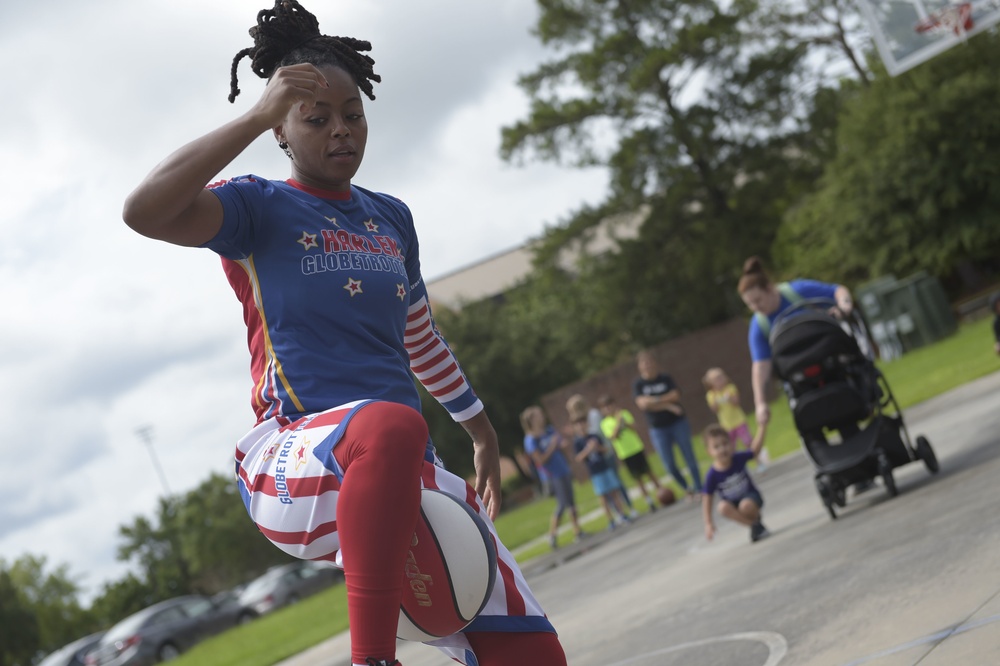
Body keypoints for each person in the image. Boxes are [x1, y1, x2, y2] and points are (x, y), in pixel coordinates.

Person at [121, 3, 566, 665]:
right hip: (294, 456)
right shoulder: (255, 207)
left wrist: (479, 427)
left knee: (534, 657)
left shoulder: (392, 219)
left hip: (403, 463)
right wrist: (251, 115)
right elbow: (144, 211)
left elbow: (421, 338)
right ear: (282, 130)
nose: (340, 131)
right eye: (315, 117)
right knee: (389, 425)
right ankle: (372, 657)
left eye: (352, 114)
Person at [737, 256, 855, 440]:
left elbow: (837, 291)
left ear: (769, 288)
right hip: (801, 380)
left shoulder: (797, 291)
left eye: (758, 300)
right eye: (750, 305)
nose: (756, 307)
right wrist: (760, 403)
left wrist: (844, 307)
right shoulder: (759, 325)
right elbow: (760, 366)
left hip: (830, 361)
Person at [633, 350, 702, 500]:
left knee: (689, 457)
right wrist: (668, 406)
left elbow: (675, 395)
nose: (647, 365)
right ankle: (686, 487)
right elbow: (643, 405)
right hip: (658, 429)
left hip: (678, 423)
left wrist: (654, 400)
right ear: (639, 366)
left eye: (649, 361)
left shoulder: (665, 378)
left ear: (655, 363)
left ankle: (699, 487)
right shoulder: (639, 384)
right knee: (669, 464)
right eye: (644, 362)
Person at [520, 406, 586, 550]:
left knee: (572, 502)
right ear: (531, 420)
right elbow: (539, 460)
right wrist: (552, 445)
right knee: (562, 504)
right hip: (552, 475)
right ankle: (552, 535)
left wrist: (562, 443)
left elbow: (561, 443)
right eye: (538, 415)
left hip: (563, 469)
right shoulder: (531, 439)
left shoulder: (549, 430)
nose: (542, 416)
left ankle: (578, 531)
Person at [566, 394, 635, 515]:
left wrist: (583, 435)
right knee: (604, 490)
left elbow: (595, 434)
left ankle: (629, 507)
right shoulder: (579, 421)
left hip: (605, 452)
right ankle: (618, 512)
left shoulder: (593, 415)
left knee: (616, 483)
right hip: (595, 460)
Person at [701, 424, 771, 544]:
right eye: (716, 447)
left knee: (745, 505)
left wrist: (762, 426)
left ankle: (755, 518)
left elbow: (754, 451)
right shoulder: (712, 474)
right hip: (733, 504)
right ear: (709, 451)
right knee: (722, 507)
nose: (722, 449)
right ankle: (755, 526)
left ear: (731, 444)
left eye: (725, 444)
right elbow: (707, 497)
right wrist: (708, 523)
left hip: (751, 497)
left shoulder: (737, 458)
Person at [597, 395, 663, 513]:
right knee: (638, 478)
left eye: (610, 406)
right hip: (625, 453)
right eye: (605, 408)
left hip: (636, 447)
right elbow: (613, 436)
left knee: (649, 472)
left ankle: (661, 492)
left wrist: (624, 422)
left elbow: (635, 427)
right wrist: (618, 422)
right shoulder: (605, 423)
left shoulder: (624, 413)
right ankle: (649, 501)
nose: (608, 409)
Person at [702, 367, 770, 469]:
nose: (720, 380)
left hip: (739, 421)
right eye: (716, 379)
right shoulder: (711, 395)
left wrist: (729, 398)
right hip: (726, 425)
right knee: (730, 447)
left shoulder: (730, 388)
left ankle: (758, 462)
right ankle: (735, 467)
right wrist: (716, 400)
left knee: (748, 442)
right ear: (711, 383)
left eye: (721, 377)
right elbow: (714, 409)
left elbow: (736, 403)